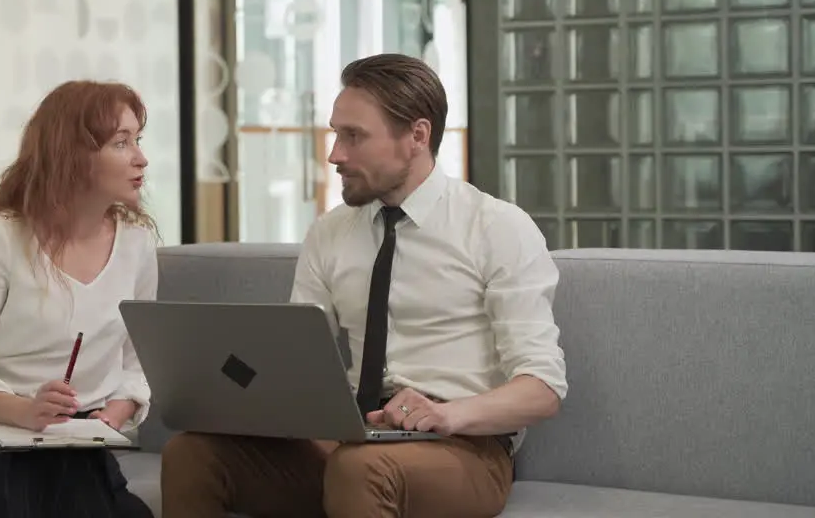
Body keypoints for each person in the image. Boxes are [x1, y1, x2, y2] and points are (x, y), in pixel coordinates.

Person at [160, 54, 568, 518]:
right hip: (354, 439)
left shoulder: (496, 228)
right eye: (336, 133)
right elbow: (294, 358)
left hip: (465, 449)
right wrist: (252, 397)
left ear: (417, 135)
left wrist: (449, 414)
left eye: (353, 136)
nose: (335, 154)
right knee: (191, 454)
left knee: (360, 468)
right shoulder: (331, 233)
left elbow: (543, 388)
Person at [0, 80, 158, 518]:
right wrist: (26, 411)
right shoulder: (1, 235)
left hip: (68, 439)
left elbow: (138, 367)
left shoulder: (137, 245)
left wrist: (112, 417)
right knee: (11, 500)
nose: (141, 157)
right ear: (74, 155)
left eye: (138, 139)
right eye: (122, 142)